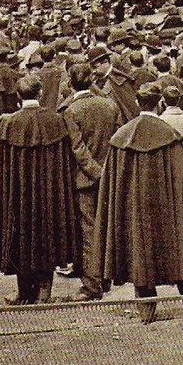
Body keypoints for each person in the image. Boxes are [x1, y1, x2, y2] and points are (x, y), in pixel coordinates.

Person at [93, 82, 183, 323]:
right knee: (179, 248)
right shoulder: (168, 136)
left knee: (139, 251)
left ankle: (147, 312)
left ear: (137, 103)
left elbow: (112, 183)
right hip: (168, 209)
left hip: (134, 210)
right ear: (159, 103)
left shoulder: (122, 137)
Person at [0, 74, 81, 305]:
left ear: (18, 96)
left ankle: (24, 292)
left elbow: (0, 161)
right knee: (47, 233)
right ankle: (43, 292)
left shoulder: (8, 123)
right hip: (49, 191)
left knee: (20, 234)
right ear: (39, 94)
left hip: (18, 193)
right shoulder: (56, 121)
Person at [61, 62, 123, 302]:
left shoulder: (71, 110)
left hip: (85, 179)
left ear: (70, 81)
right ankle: (105, 277)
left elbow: (78, 149)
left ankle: (92, 284)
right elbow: (117, 140)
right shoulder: (109, 105)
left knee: (89, 231)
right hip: (109, 174)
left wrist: (96, 172)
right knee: (107, 226)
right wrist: (108, 171)